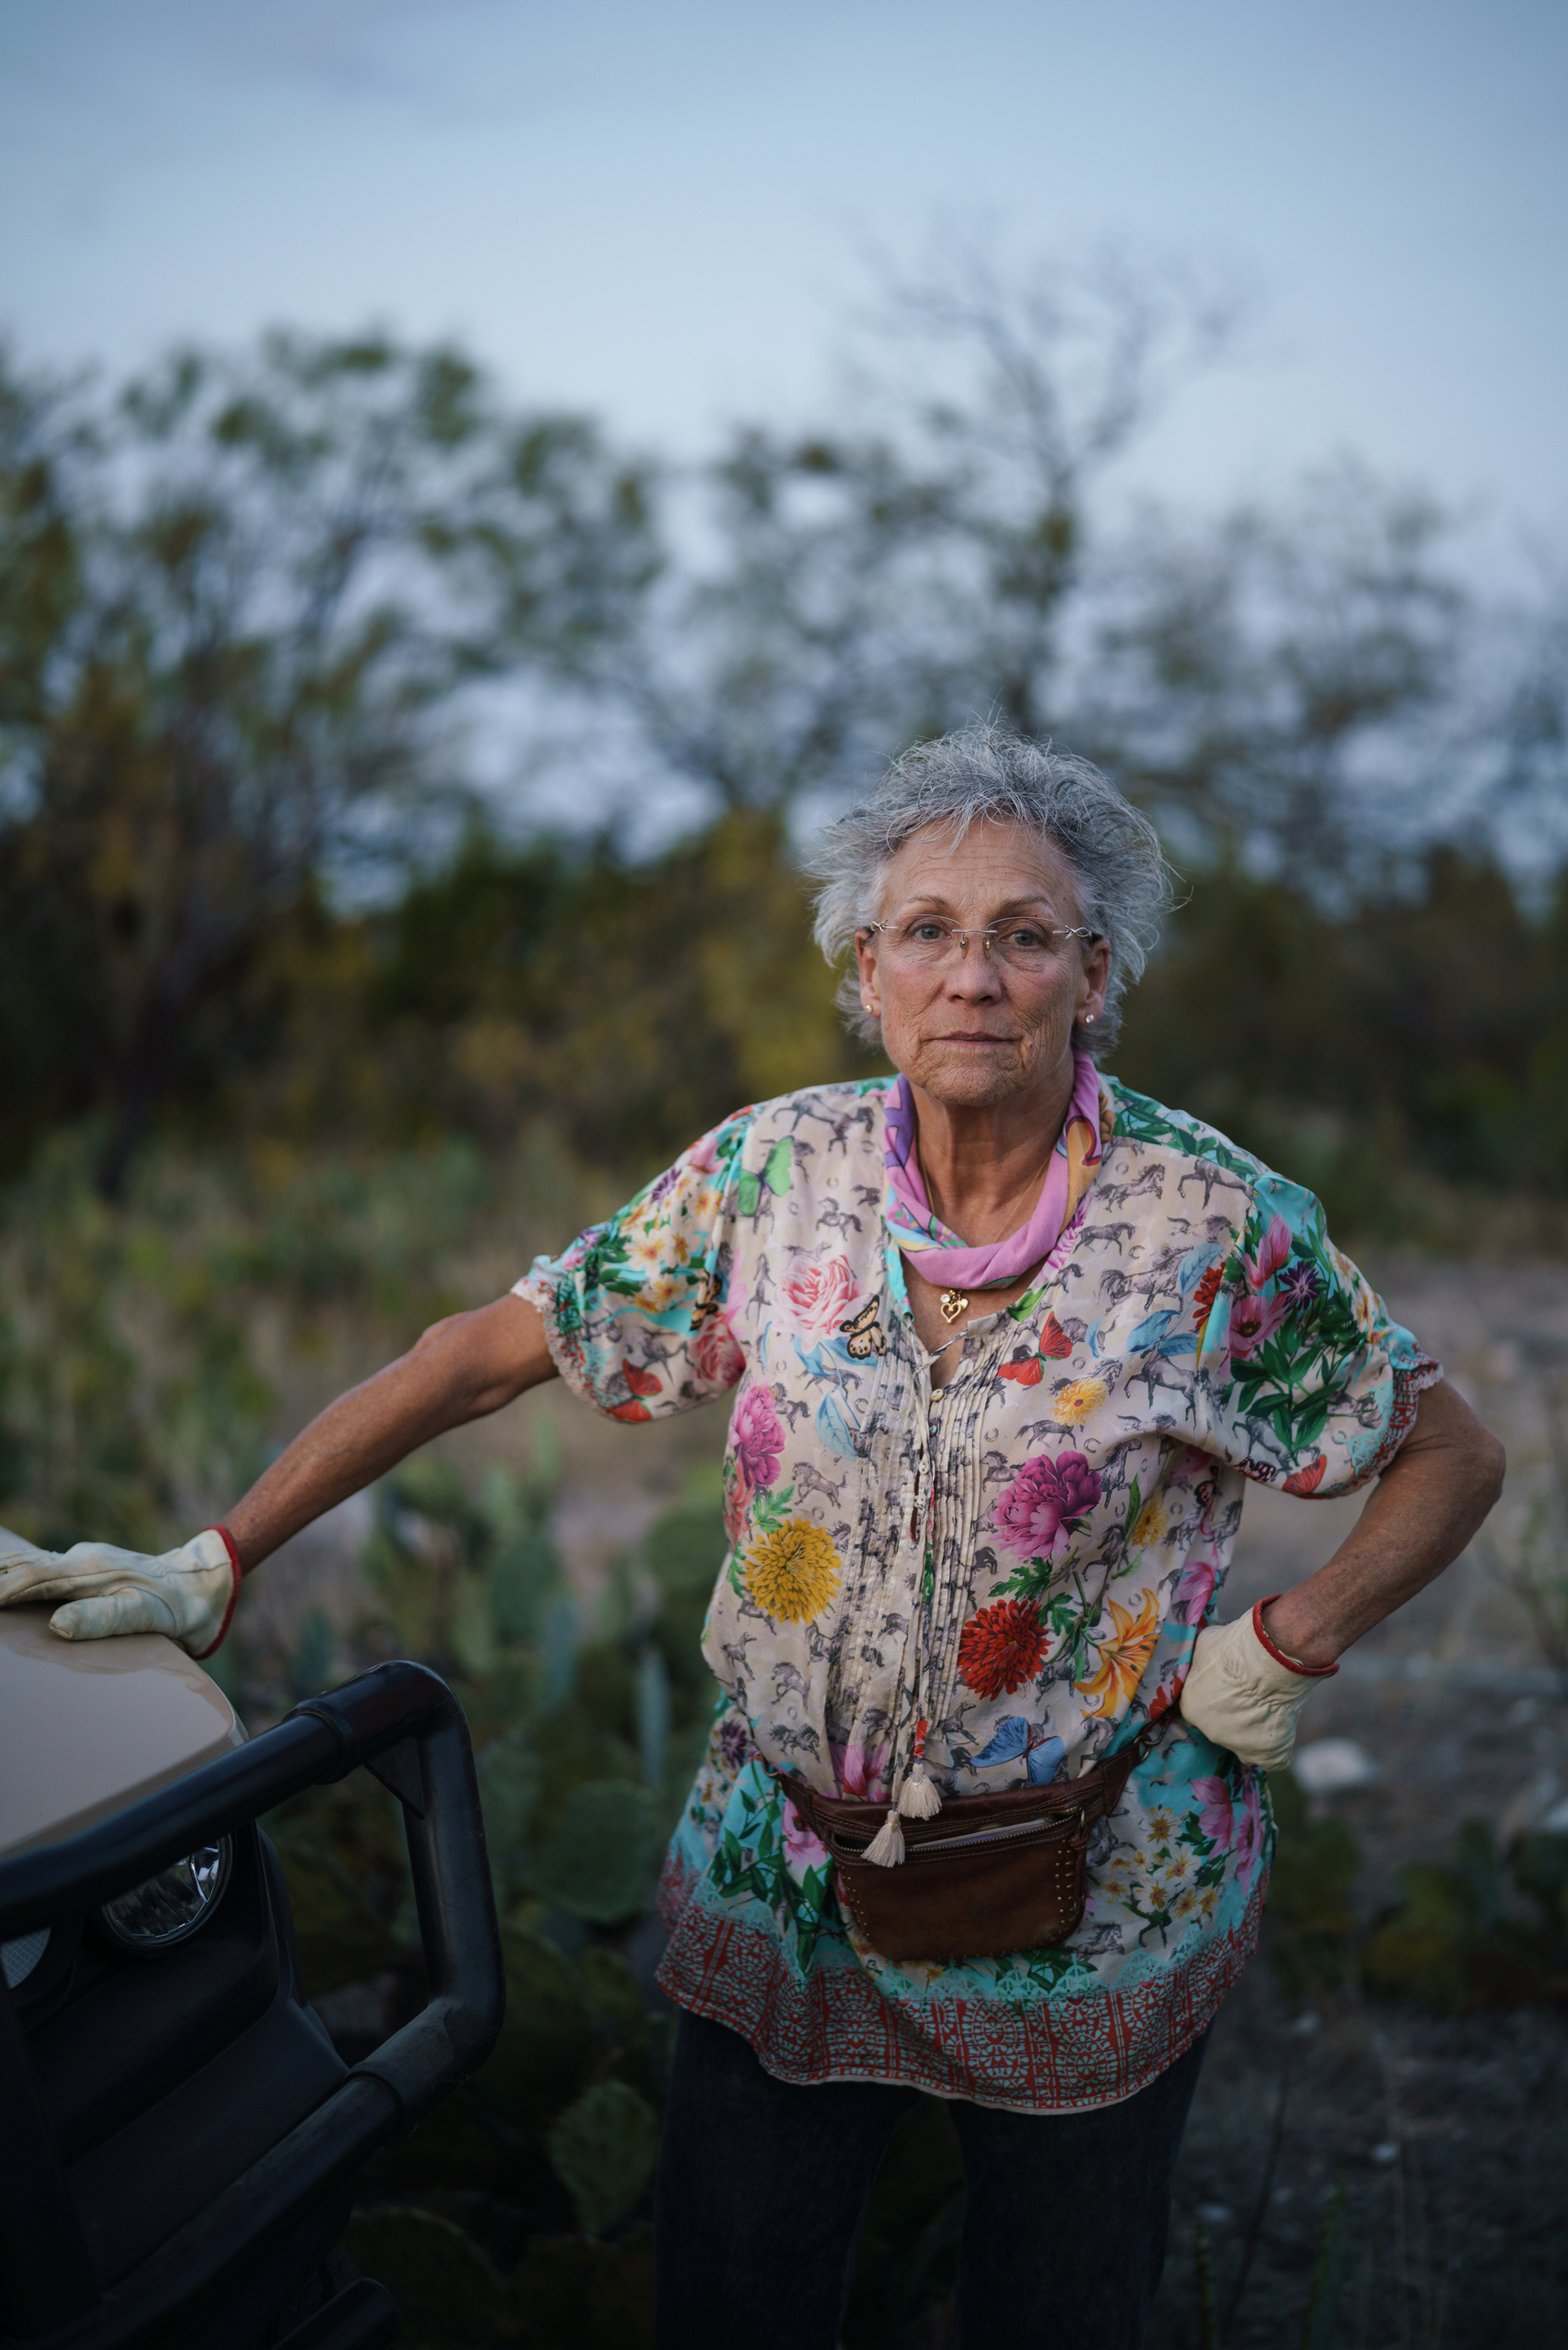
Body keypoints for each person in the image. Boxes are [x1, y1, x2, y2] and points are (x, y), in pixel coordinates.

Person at [0, 723, 1505, 2349]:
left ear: (1097, 972)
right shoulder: (772, 1171)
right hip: (789, 1875)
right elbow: (490, 1349)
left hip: (1101, 1889)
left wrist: (1297, 1637)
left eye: (1024, 934)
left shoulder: (1216, 1228)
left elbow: (1449, 1450)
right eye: (928, 930)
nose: (974, 977)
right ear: (869, 971)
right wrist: (226, 1554)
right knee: (732, 2303)